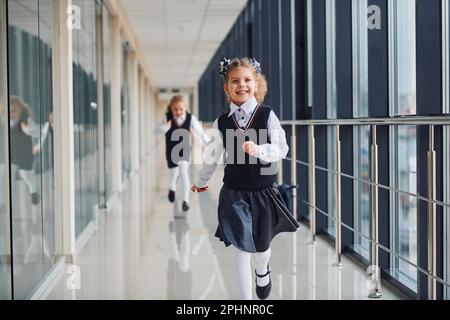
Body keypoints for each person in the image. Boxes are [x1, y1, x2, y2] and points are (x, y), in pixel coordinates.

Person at [191, 57, 299, 300]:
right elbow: (212, 156)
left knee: (262, 248)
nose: (242, 85)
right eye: (235, 81)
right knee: (241, 250)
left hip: (264, 192)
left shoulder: (267, 115)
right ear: (227, 88)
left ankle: (263, 271)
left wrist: (260, 150)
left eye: (247, 80)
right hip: (234, 193)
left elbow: (281, 149)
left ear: (257, 84)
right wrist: (202, 181)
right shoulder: (222, 123)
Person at [155, 94, 209, 212]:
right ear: (171, 108)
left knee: (184, 172)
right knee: (173, 174)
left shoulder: (190, 118)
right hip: (171, 150)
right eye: (175, 109)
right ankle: (172, 188)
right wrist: (165, 127)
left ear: (185, 108)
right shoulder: (167, 118)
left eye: (181, 109)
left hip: (184, 150)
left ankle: (186, 201)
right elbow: (155, 131)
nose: (178, 112)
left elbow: (200, 132)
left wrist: (207, 143)